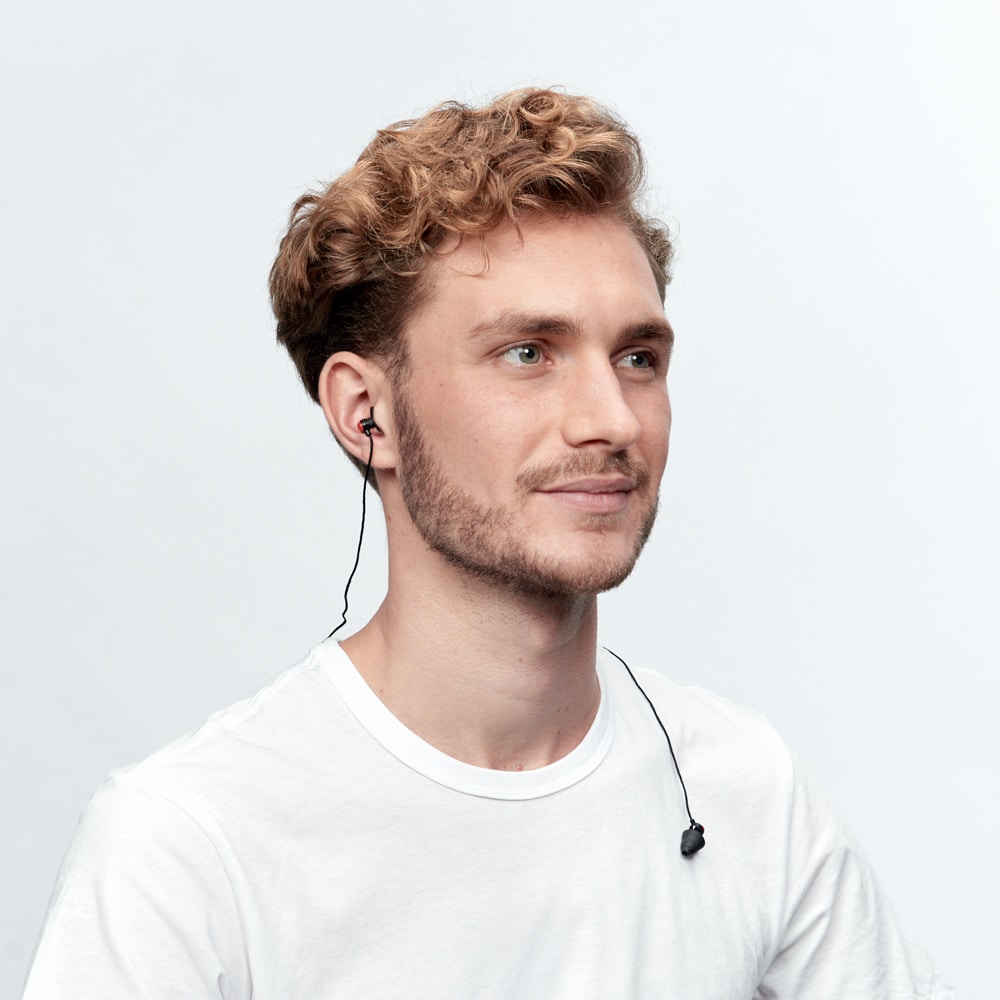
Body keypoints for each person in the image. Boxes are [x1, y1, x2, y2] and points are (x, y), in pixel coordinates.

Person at [23, 88, 953, 998]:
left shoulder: (745, 791)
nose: (611, 419)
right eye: (528, 354)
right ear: (366, 411)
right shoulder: (191, 846)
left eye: (637, 357)